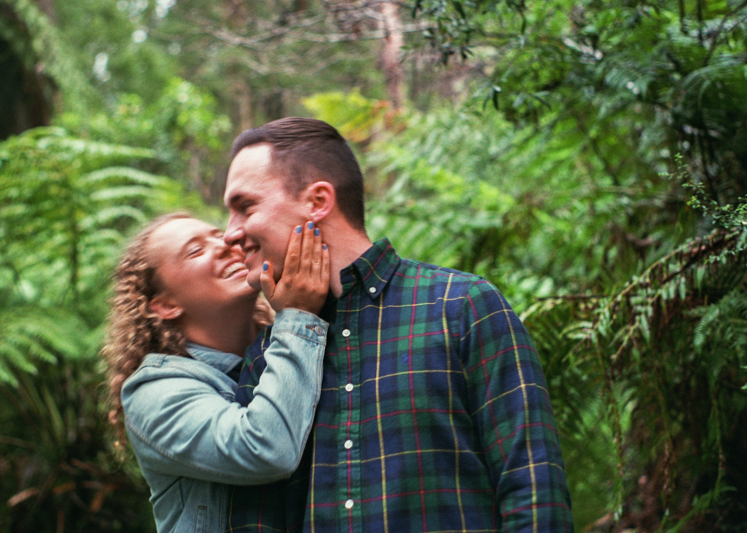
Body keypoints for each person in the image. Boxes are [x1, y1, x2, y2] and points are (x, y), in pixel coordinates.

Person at [223, 117, 574, 532]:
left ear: (318, 201)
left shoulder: (462, 307)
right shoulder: (267, 360)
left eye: (245, 207)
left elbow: (533, 492)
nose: (229, 233)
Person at [100, 212, 331, 533]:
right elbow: (267, 448)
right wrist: (298, 316)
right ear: (165, 305)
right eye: (195, 251)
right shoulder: (152, 394)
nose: (225, 245)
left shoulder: (298, 346)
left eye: (219, 235)